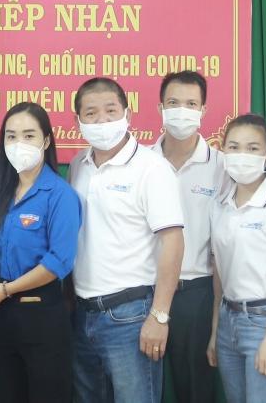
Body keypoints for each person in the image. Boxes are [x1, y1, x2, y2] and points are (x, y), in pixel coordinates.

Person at [69, 77, 185, 403]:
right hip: (82, 314)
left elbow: (173, 241)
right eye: (91, 113)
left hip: (131, 315)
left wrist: (159, 316)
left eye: (111, 111)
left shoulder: (152, 168)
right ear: (78, 121)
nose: (102, 120)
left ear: (128, 114)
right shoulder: (78, 165)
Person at [0, 102, 81, 403]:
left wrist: (6, 289)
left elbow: (58, 261)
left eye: (29, 135)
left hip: (43, 315)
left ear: (46, 141)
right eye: (11, 136)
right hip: (3, 316)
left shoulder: (60, 194)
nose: (18, 144)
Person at [207, 113, 266, 403]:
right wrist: (216, 330)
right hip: (228, 322)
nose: (242, 155)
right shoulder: (220, 206)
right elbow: (220, 273)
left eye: (252, 148)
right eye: (234, 147)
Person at [149, 70, 230, 403]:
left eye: (191, 104)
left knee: (196, 389)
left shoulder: (222, 166)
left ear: (203, 110)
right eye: (173, 103)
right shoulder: (142, 162)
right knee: (139, 388)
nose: (181, 111)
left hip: (196, 293)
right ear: (160, 108)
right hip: (144, 292)